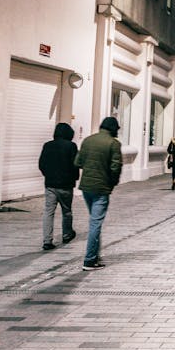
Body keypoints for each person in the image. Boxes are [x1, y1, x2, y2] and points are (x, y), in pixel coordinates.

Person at [75, 116, 122, 270]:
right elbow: (115, 167)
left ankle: (95, 256)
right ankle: (89, 260)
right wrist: (112, 183)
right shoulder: (113, 144)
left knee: (95, 221)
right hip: (101, 188)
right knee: (95, 223)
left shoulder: (88, 140)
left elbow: (78, 162)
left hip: (86, 188)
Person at [38, 122, 79, 250]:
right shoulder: (71, 146)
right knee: (66, 211)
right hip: (66, 185)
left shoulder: (47, 145)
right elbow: (75, 164)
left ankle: (47, 240)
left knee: (48, 212)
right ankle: (67, 234)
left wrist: (48, 175)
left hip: (50, 184)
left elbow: (41, 164)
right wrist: (74, 178)